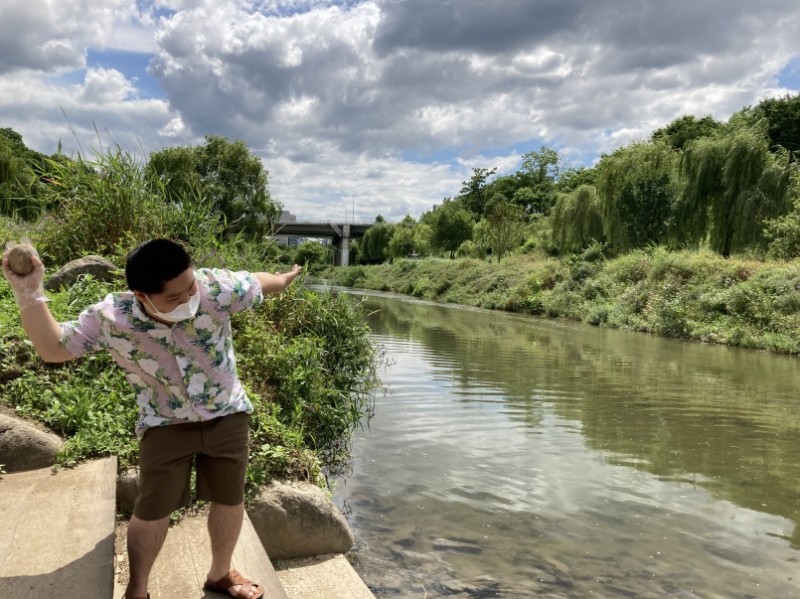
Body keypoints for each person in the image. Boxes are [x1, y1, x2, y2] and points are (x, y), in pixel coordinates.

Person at [2, 238, 302, 599]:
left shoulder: (216, 288)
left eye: (190, 289)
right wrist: (30, 292)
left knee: (229, 498)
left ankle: (220, 573)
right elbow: (53, 348)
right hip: (165, 422)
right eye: (173, 299)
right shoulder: (113, 317)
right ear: (141, 295)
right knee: (152, 509)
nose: (187, 301)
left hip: (228, 415)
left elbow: (258, 281)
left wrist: (284, 278)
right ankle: (138, 590)